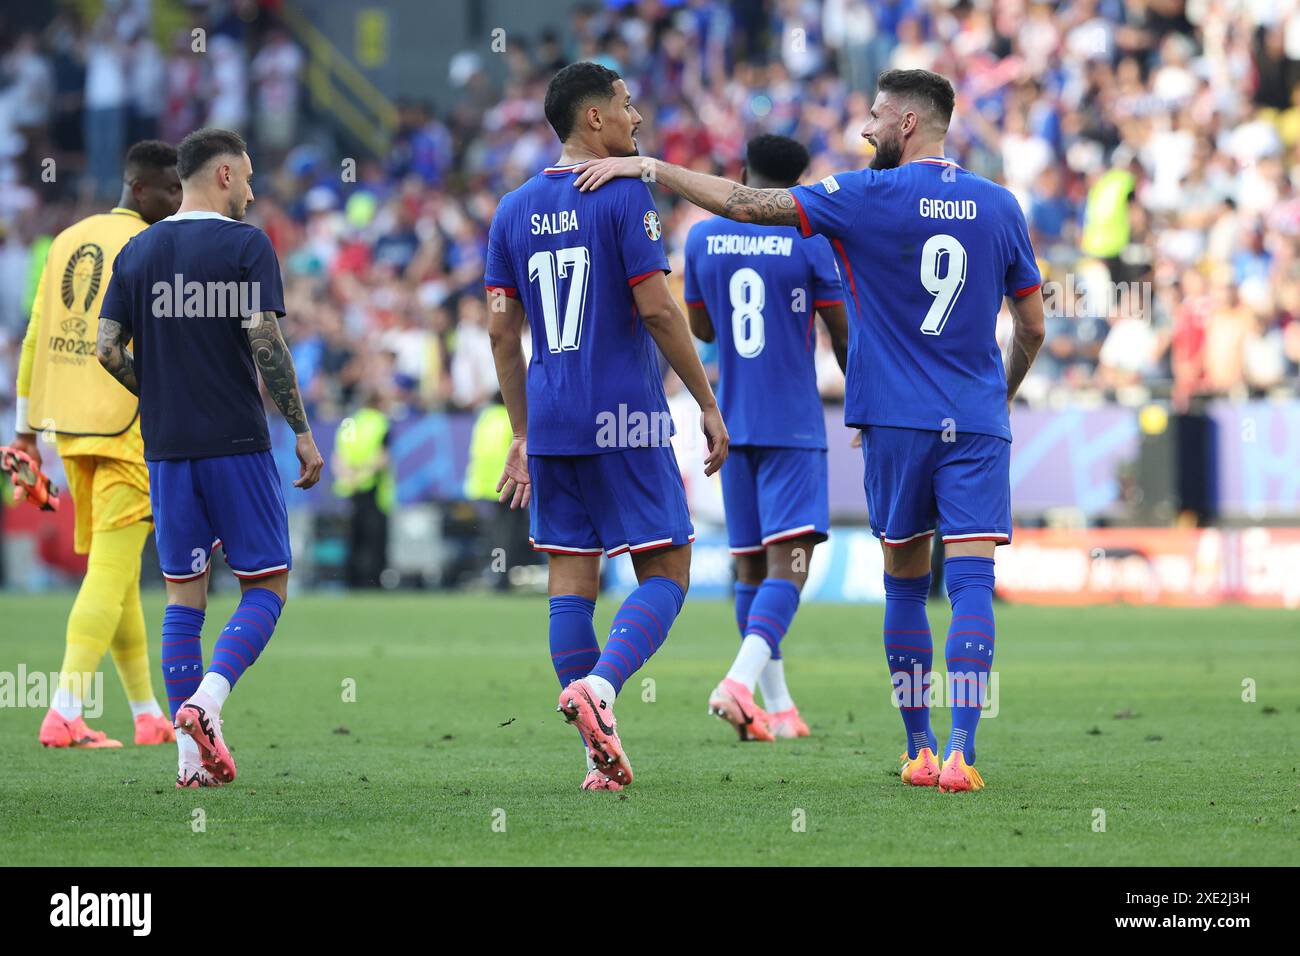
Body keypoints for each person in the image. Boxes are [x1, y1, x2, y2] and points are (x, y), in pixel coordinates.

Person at [574, 68, 1046, 793]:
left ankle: (917, 749)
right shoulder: (1000, 205)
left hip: (894, 421)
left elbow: (746, 201)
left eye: (877, 116)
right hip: (975, 421)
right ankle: (962, 752)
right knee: (974, 581)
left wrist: (650, 166)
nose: (866, 128)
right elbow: (1034, 323)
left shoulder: (862, 196)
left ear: (909, 124)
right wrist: (1000, 395)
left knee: (903, 586)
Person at [485, 62, 728, 791]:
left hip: (552, 420)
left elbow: (502, 335)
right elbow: (657, 310)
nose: (638, 118)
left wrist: (522, 433)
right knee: (669, 569)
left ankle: (597, 758)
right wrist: (708, 402)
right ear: (594, 119)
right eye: (627, 105)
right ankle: (605, 688)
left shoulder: (511, 209)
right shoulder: (625, 193)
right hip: (623, 414)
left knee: (570, 577)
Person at [97, 128, 324, 788]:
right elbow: (265, 340)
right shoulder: (246, 246)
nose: (253, 191)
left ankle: (189, 762)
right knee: (267, 586)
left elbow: (108, 349)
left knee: (182, 600)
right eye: (248, 177)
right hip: (235, 443)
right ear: (222, 175)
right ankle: (208, 702)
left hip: (167, 451)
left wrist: (161, 392)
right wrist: (302, 433)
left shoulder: (138, 252)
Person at [14, 140, 182, 750]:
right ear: (140, 190)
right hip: (128, 424)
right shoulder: (148, 247)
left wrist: (25, 433)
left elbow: (36, 338)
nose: (177, 200)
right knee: (113, 572)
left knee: (116, 573)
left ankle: (145, 714)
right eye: (170, 190)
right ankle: (63, 711)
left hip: (70, 428)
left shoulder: (64, 239)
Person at [682, 133, 849, 742]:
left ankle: (776, 709)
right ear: (801, 180)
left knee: (751, 572)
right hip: (793, 422)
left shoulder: (701, 236)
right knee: (793, 567)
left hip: (731, 423)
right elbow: (842, 331)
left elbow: (701, 326)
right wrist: (860, 405)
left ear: (742, 171)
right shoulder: (810, 235)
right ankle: (737, 683)